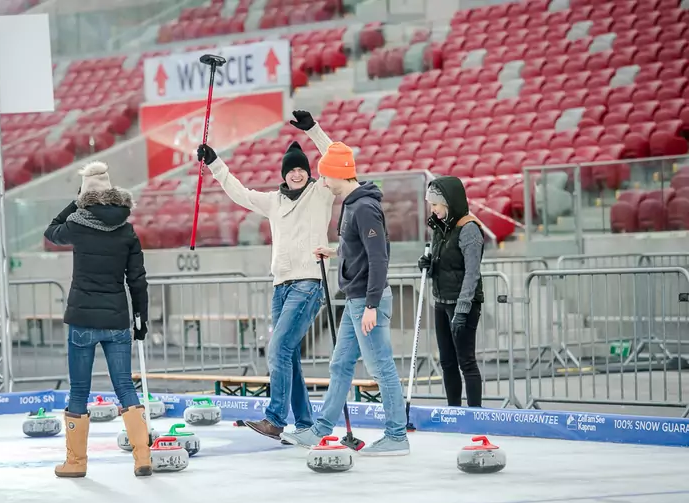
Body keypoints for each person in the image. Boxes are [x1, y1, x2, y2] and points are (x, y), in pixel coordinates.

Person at [195, 110, 334, 441]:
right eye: (292, 170)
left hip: (309, 282)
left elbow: (337, 158)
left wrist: (314, 129)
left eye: (302, 169)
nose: (297, 174)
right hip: (281, 286)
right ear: (284, 175)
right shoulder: (273, 201)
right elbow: (240, 193)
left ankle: (275, 419)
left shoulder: (322, 193)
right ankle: (304, 423)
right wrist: (216, 164)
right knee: (288, 355)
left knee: (277, 349)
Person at [280, 141, 410, 456]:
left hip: (367, 300)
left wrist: (371, 305)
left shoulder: (364, 207)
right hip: (356, 300)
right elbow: (361, 250)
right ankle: (321, 429)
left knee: (380, 367)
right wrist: (335, 250)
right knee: (340, 365)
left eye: (325, 176)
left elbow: (379, 258)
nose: (322, 182)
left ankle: (396, 436)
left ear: (338, 174)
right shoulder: (352, 205)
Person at [44, 161, 152, 478]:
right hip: (117, 318)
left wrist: (77, 200)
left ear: (85, 194)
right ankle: (142, 457)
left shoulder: (76, 224)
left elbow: (51, 230)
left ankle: (76, 463)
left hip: (82, 317)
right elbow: (138, 280)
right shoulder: (127, 229)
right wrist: (141, 319)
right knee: (125, 389)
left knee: (79, 391)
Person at [418, 175, 484, 407]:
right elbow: (444, 263)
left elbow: (471, 273)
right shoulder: (440, 227)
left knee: (466, 361)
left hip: (462, 303)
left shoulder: (469, 229)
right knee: (447, 361)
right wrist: (428, 264)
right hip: (441, 300)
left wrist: (463, 309)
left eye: (436, 205)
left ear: (448, 202)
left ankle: (475, 413)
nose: (433, 210)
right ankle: (453, 410)